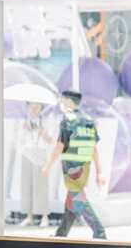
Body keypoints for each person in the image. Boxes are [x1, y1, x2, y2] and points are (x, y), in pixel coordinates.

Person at [42, 90, 107, 239]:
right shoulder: (89, 120)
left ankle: (99, 231)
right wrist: (99, 172)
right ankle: (61, 234)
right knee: (72, 199)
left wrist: (47, 165)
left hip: (71, 167)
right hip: (85, 167)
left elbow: (60, 145)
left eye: (62, 100)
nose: (61, 104)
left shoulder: (68, 119)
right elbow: (94, 148)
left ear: (69, 102)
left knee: (78, 199)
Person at [18, 102, 54, 228]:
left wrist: (42, 132)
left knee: (42, 185)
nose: (33, 109)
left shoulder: (46, 122)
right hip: (27, 154)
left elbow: (51, 141)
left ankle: (45, 216)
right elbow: (19, 140)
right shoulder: (24, 122)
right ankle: (29, 217)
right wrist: (24, 130)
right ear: (27, 108)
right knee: (26, 185)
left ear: (41, 108)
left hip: (40, 153)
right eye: (31, 107)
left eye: (37, 107)